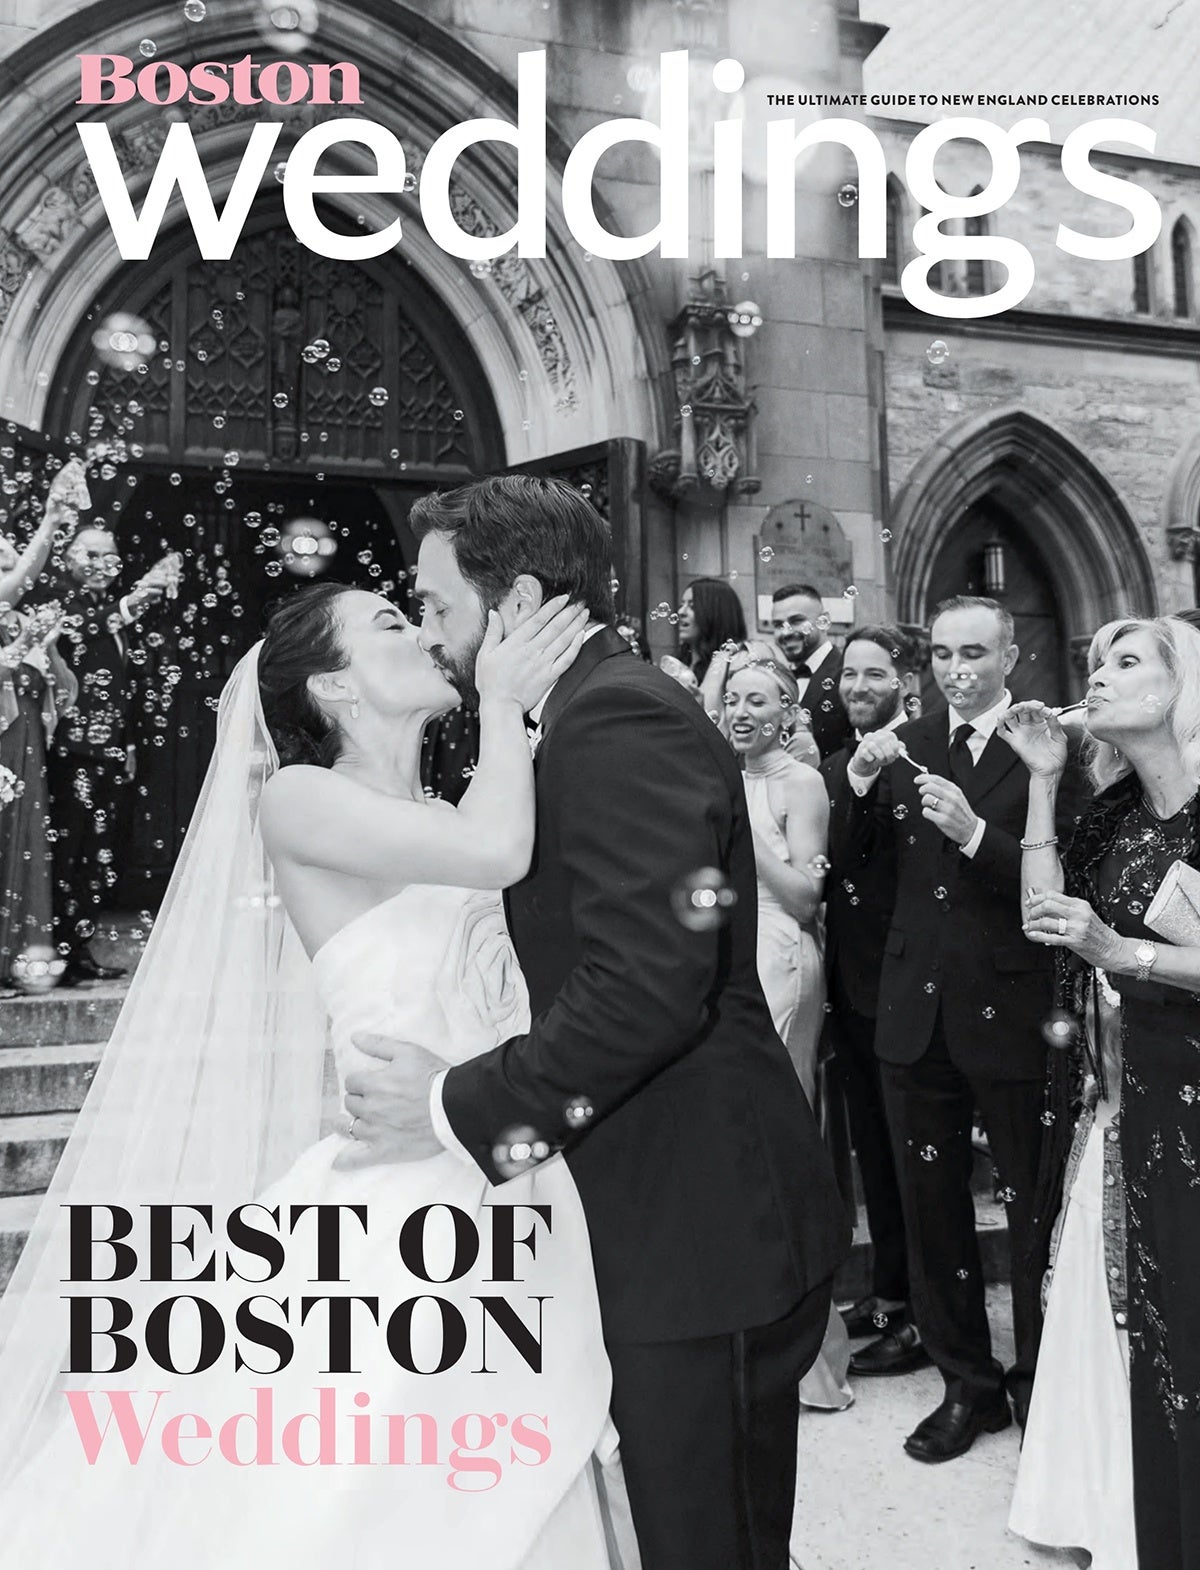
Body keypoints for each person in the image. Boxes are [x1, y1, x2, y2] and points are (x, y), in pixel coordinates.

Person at [0, 579, 633, 1570]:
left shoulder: (441, 802)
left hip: (491, 1155)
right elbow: (497, 851)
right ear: (335, 688)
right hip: (399, 1194)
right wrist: (506, 701)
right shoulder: (298, 798)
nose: (423, 633)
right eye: (390, 623)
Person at [341, 475, 849, 1570]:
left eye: (435, 605)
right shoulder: (571, 717)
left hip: (706, 1223)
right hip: (656, 1203)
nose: (429, 633)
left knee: (708, 1543)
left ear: (514, 599)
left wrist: (449, 1100)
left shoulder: (615, 716)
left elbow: (647, 986)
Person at [829, 595, 1063, 1462]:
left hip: (1013, 1013)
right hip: (914, 1013)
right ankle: (967, 1385)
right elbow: (851, 872)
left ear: (1011, 658)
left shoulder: (1043, 751)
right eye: (943, 655)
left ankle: (1037, 1384)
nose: (957, 671)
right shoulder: (906, 747)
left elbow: (1056, 880)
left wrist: (975, 837)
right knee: (932, 1213)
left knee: (1032, 1210)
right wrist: (853, 787)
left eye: (975, 654)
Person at [1001, 614, 1200, 1570]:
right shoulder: (1120, 820)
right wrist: (1042, 781)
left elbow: (1121, 949)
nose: (1102, 676)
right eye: (1095, 665)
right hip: (1123, 1103)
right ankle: (1124, 1521)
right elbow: (1046, 912)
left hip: (1193, 1105)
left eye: (1129, 661)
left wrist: (1123, 953)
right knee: (1110, 1309)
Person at [722, 650, 853, 1414]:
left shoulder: (799, 784)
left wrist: (748, 832)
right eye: (733, 697)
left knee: (778, 1133)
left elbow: (807, 894)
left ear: (788, 713)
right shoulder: (705, 766)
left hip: (778, 955)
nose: (743, 711)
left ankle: (810, 1355)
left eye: (760, 700)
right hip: (721, 953)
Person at [820, 625, 922, 1372]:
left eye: (874, 674)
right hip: (851, 990)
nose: (857, 686)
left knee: (911, 1158)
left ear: (903, 682)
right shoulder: (835, 765)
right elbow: (831, 863)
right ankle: (888, 1294)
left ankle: (919, 1313)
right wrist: (851, 778)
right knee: (877, 1159)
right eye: (850, 674)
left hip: (909, 990)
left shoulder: (924, 760)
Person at [44, 528, 179, 985]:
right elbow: (90, 629)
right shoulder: (58, 602)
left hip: (109, 749)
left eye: (110, 555)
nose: (101, 563)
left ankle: (79, 946)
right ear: (65, 558)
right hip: (71, 751)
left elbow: (120, 687)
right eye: (90, 554)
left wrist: (131, 743)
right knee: (69, 851)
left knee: (99, 854)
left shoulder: (109, 613)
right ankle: (57, 947)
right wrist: (139, 597)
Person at [0, 458, 88, 990]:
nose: (13, 566)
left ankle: (13, 952)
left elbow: (67, 693)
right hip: (3, 748)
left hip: (25, 748)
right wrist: (53, 520)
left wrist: (45, 648)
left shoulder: (16, 623)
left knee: (22, 845)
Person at [770, 584, 851, 762]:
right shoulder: (777, 681)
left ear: (824, 621)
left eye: (796, 621)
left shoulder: (847, 674)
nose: (786, 632)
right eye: (778, 625)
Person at [665, 575, 746, 712]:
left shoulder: (736, 665)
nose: (681, 612)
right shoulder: (679, 663)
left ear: (715, 613)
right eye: (681, 605)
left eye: (692, 606)